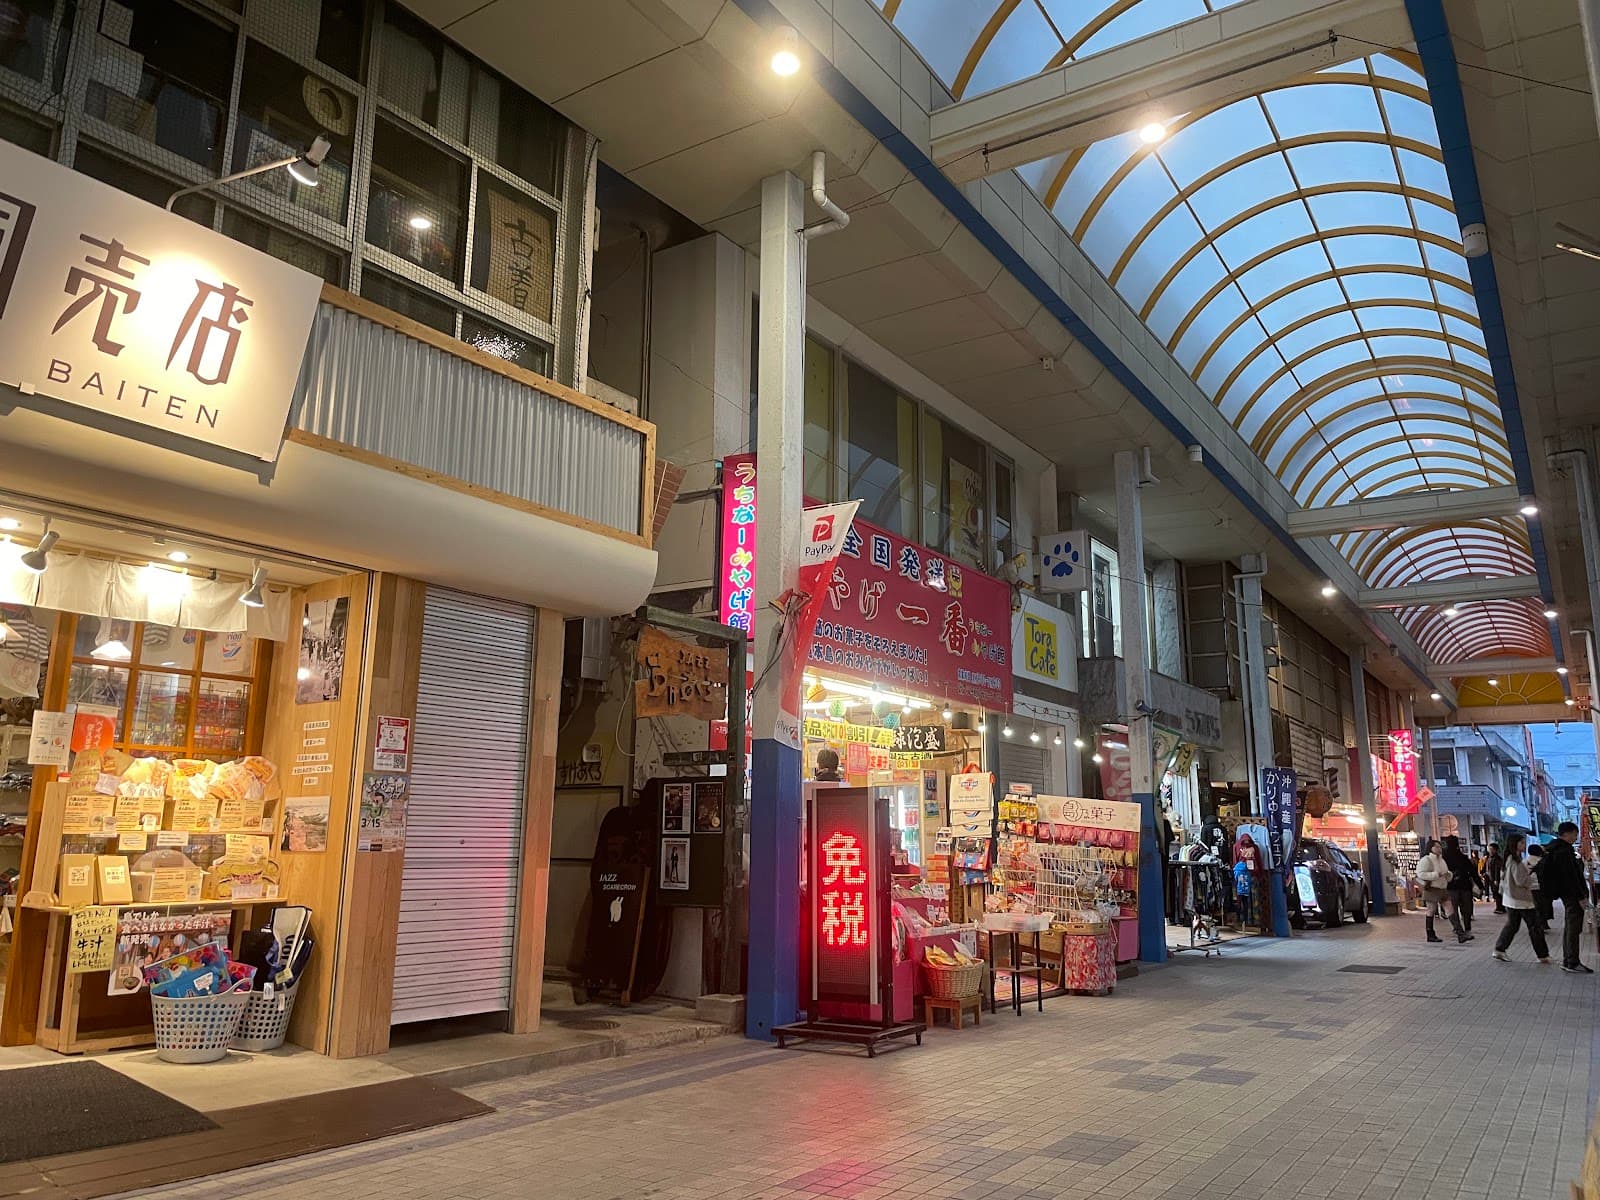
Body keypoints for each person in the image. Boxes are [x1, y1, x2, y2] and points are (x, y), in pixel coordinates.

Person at [1491, 833, 1550, 963]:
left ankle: (1499, 949)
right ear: (1515, 844)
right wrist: (1531, 879)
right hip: (1520, 899)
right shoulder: (1515, 860)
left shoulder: (1509, 858)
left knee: (1513, 926)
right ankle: (1543, 955)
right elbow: (1520, 880)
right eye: (1522, 843)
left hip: (1510, 898)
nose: (1524, 845)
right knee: (1535, 927)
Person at [1543, 821, 1592, 974]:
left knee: (1570, 927)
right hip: (1572, 895)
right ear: (1567, 833)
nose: (1575, 836)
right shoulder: (1563, 851)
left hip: (1566, 894)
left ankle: (1569, 960)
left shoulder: (1555, 848)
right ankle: (1572, 961)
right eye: (1574, 833)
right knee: (1573, 928)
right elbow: (1571, 877)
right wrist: (1580, 896)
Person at [1417, 839, 1469, 943]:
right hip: (1432, 889)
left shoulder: (1441, 859)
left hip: (1443, 888)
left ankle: (1460, 934)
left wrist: (1448, 875)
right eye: (1436, 847)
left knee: (1450, 909)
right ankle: (1430, 934)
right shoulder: (1426, 860)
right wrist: (1436, 874)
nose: (1439, 849)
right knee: (1431, 910)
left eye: (1440, 847)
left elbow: (1445, 872)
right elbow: (1420, 873)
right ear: (1430, 848)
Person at [1441, 835, 1480, 933]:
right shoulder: (1463, 857)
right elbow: (1472, 871)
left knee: (1453, 908)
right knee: (1466, 908)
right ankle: (1467, 926)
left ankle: (1457, 927)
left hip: (1451, 886)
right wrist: (1480, 884)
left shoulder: (1443, 858)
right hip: (1465, 885)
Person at [1527, 843, 1554, 934]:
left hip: (1529, 887)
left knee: (1536, 907)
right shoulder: (1543, 861)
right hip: (1542, 886)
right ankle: (1542, 924)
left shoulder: (1524, 862)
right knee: (1543, 906)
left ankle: (1539, 924)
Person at [1484, 843, 1505, 913]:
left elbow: (1497, 869)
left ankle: (1500, 908)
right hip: (1490, 878)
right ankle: (1498, 907)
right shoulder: (1489, 857)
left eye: (1491, 849)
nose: (1490, 850)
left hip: (1495, 878)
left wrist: (1496, 879)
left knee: (1498, 893)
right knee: (1495, 892)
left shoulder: (1497, 858)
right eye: (1489, 849)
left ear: (1495, 850)